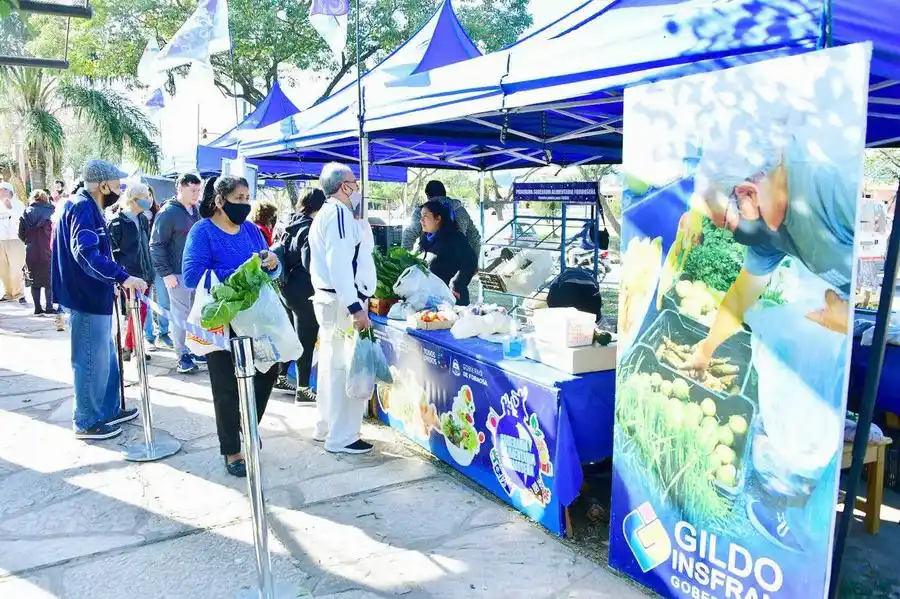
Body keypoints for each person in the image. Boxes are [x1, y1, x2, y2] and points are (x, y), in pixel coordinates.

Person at [669, 134, 856, 550]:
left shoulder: (832, 185)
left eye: (725, 222)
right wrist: (705, 351)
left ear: (748, 194)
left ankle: (800, 518)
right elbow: (743, 293)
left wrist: (858, 313)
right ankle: (784, 502)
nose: (730, 234)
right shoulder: (767, 228)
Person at [182, 176, 282, 477]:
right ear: (220, 200)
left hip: (256, 318)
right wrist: (241, 271)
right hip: (221, 318)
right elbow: (191, 275)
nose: (245, 204)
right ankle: (232, 449)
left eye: (247, 197)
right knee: (225, 386)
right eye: (239, 198)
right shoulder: (202, 232)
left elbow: (269, 270)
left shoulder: (252, 230)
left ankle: (246, 424)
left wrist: (271, 263)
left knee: (268, 371)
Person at [51, 160, 147, 440]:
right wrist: (121, 277)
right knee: (90, 361)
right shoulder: (81, 207)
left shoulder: (87, 206)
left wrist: (111, 281)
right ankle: (86, 420)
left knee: (104, 359)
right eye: (116, 183)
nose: (120, 188)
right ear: (103, 185)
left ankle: (107, 409)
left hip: (95, 296)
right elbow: (86, 253)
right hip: (85, 298)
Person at [308, 163, 377, 454]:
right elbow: (339, 264)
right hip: (341, 301)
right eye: (354, 182)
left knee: (330, 366)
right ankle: (343, 436)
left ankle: (327, 427)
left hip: (333, 299)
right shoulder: (336, 214)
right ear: (343, 186)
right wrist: (354, 307)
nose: (358, 186)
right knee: (345, 368)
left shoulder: (336, 214)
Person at [150, 173, 203, 373]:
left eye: (198, 190)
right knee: (180, 315)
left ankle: (194, 348)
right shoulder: (167, 213)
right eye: (192, 190)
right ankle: (183, 355)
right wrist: (166, 273)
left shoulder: (195, 211)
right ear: (180, 188)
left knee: (194, 314)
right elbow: (156, 245)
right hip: (177, 273)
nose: (196, 194)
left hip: (195, 273)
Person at [279, 188, 326, 404]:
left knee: (291, 334)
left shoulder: (292, 223)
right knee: (305, 339)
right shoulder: (310, 228)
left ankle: (280, 377)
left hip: (286, 287)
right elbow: (310, 264)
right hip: (304, 290)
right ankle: (303, 389)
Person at [109, 183, 156, 361]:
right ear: (133, 200)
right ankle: (129, 346)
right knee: (131, 312)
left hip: (146, 273)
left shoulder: (143, 219)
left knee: (141, 312)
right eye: (144, 197)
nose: (148, 200)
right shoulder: (117, 222)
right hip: (129, 276)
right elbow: (112, 252)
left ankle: (132, 346)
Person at [401, 180, 481, 261]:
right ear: (444, 193)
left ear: (428, 195)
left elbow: (409, 235)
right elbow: (474, 237)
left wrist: (404, 261)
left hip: (428, 262)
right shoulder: (460, 210)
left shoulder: (422, 211)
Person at [418, 200, 478, 306]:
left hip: (453, 300)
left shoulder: (455, 238)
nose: (421, 220)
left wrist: (456, 284)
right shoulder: (425, 240)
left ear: (438, 219)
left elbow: (471, 263)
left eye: (425, 216)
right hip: (431, 299)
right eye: (420, 216)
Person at [18, 189, 56, 316]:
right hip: (48, 249)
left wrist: (28, 242)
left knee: (34, 279)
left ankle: (37, 307)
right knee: (48, 279)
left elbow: (21, 233)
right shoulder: (51, 211)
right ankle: (49, 306)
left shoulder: (25, 212)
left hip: (31, 249)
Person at [143, 186, 171, 350]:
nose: (147, 199)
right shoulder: (133, 217)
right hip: (142, 266)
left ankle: (164, 333)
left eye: (150, 195)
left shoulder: (160, 215)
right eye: (144, 196)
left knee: (164, 301)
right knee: (145, 302)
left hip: (160, 265)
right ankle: (148, 336)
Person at [0, 182, 27, 304]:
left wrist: (10, 208)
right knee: (3, 269)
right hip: (1, 240)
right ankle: (8, 293)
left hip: (15, 240)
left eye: (2, 189)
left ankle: (18, 293)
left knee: (16, 268)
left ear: (9, 191)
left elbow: (21, 219)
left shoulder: (18, 204)